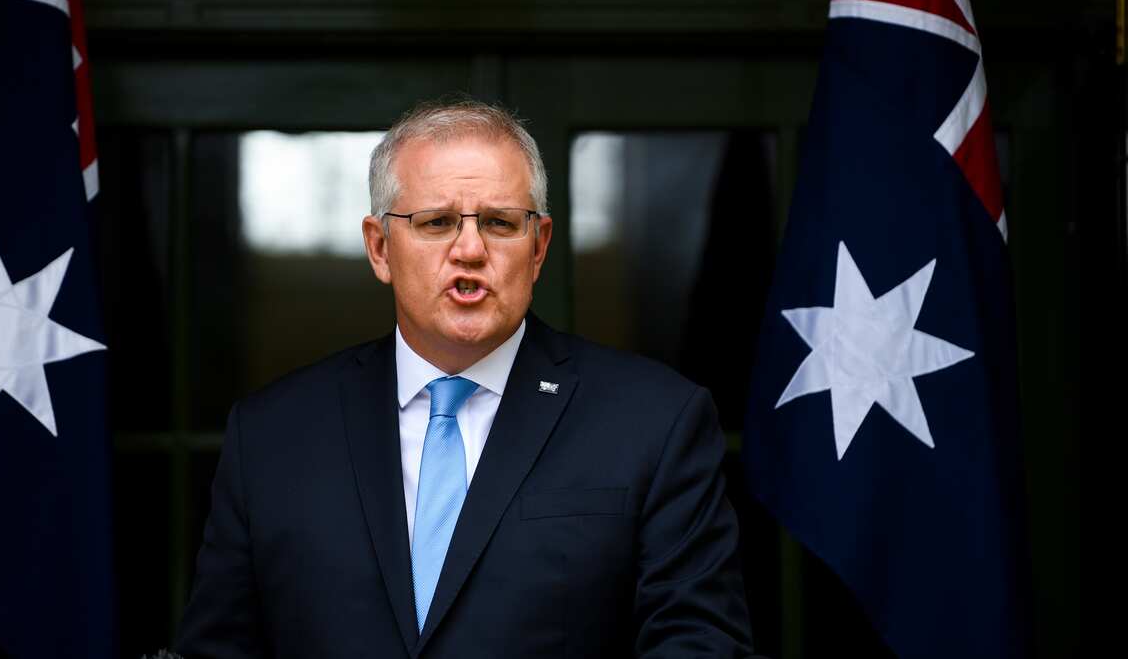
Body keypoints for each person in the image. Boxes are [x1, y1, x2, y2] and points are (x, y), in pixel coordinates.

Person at [175, 100, 754, 658]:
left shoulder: (655, 421)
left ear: (538, 248)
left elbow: (698, 643)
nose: (470, 249)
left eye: (501, 223)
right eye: (437, 222)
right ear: (379, 248)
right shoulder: (272, 435)